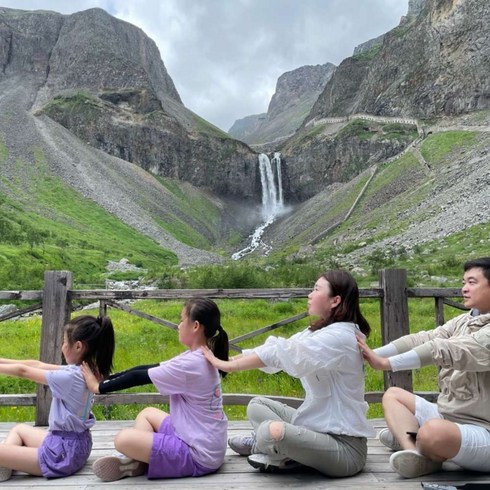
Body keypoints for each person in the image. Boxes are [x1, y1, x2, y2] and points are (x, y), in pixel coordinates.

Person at [203, 269, 375, 477]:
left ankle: (264, 444)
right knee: (257, 405)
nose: (310, 294)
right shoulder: (319, 331)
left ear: (335, 300)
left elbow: (286, 353)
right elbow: (281, 348)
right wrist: (228, 361)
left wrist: (228, 366)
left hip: (344, 448)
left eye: (316, 289)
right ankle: (284, 452)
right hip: (315, 428)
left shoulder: (340, 337)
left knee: (271, 431)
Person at [357, 257, 490, 479]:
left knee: (433, 432)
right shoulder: (463, 321)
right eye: (463, 282)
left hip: (483, 430)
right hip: (450, 418)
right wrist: (371, 354)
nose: (464, 288)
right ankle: (415, 454)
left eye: (472, 282)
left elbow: (445, 349)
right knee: (393, 395)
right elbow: (425, 339)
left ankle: (418, 439)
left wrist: (386, 364)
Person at [84, 297, 229, 482]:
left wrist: (98, 387)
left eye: (182, 320)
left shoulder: (191, 364)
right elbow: (145, 369)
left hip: (198, 455)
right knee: (147, 413)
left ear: (195, 326)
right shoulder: (199, 355)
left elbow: (138, 378)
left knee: (123, 439)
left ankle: (138, 460)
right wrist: (106, 380)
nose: (179, 325)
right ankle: (140, 460)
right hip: (203, 440)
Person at [0, 315, 115, 482]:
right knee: (19, 430)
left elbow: (23, 371)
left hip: (60, 455)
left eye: (64, 342)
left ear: (77, 346)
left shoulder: (70, 377)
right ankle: (7, 464)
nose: (62, 347)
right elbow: (37, 365)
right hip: (75, 446)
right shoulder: (87, 369)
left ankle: (7, 461)